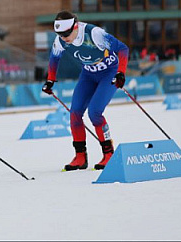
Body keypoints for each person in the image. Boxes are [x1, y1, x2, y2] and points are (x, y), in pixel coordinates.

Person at [42, 11, 128, 171]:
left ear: (75, 27)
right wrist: (50, 80)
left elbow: (123, 49)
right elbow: (54, 57)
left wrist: (120, 72)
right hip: (88, 75)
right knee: (74, 113)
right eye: (60, 34)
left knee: (94, 112)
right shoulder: (60, 40)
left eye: (66, 34)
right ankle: (80, 157)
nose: (64, 38)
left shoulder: (94, 34)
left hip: (109, 73)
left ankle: (108, 154)